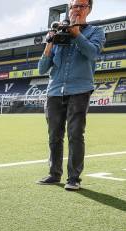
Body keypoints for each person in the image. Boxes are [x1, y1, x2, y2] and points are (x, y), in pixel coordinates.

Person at [37, 0, 105, 191]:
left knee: (75, 134)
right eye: (74, 6)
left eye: (81, 6)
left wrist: (76, 34)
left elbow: (92, 53)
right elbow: (42, 68)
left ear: (89, 9)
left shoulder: (96, 32)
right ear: (69, 9)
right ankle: (54, 174)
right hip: (54, 90)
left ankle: (74, 178)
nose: (76, 9)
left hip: (80, 89)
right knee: (54, 135)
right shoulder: (59, 31)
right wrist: (49, 42)